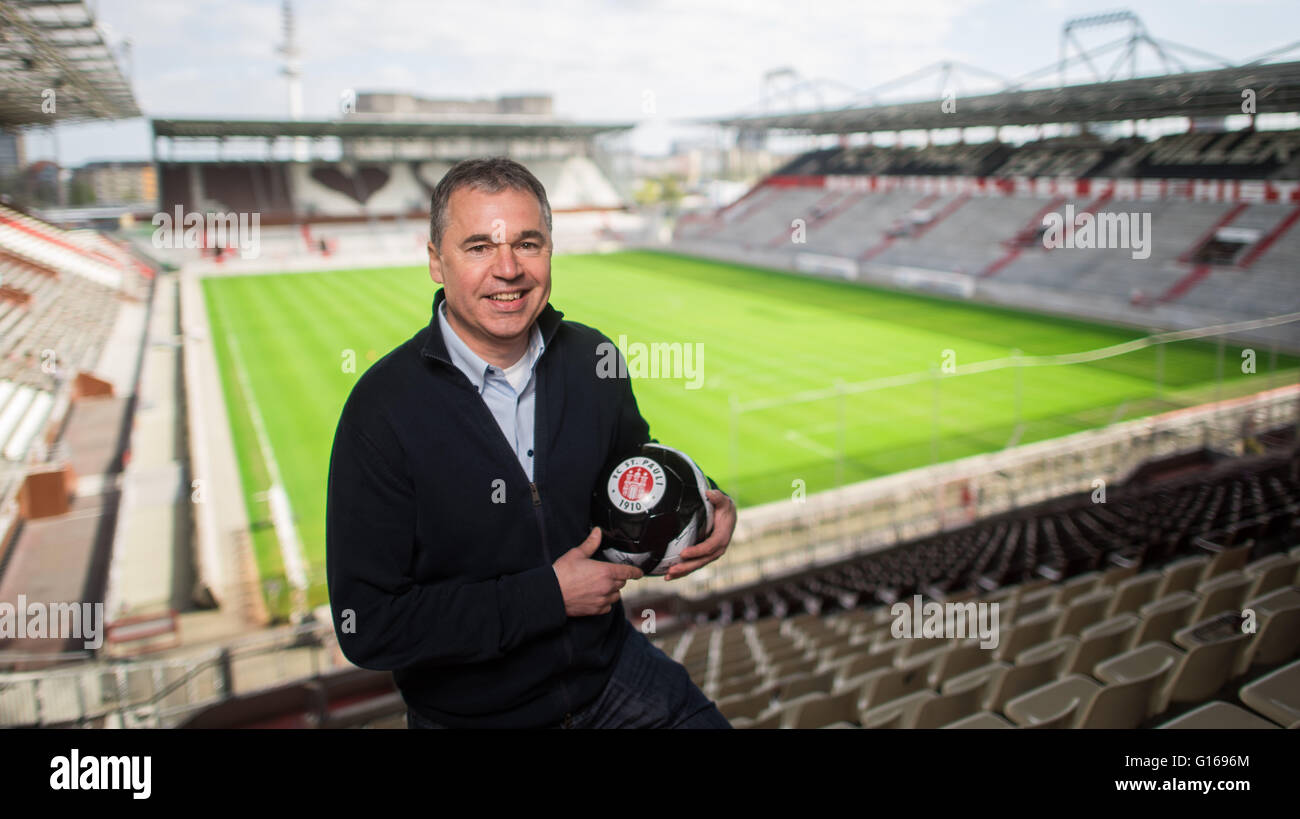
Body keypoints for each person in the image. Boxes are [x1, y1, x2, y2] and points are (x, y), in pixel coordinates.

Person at [325, 156, 736, 729]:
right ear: (435, 262)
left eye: (528, 243)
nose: (508, 269)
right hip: (475, 717)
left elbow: (635, 470)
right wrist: (547, 596)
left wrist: (707, 503)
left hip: (611, 672)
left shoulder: (593, 358)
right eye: (478, 247)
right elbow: (366, 625)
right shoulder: (381, 410)